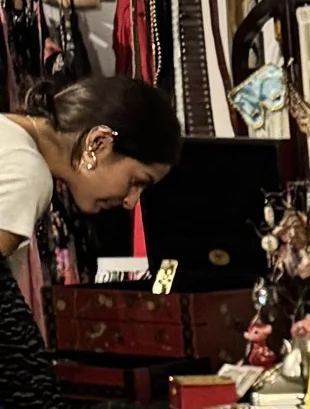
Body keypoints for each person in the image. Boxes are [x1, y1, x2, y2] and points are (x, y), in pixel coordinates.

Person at [0, 75, 182, 271]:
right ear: (98, 143)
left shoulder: (11, 132)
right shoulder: (29, 176)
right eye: (136, 182)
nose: (130, 202)